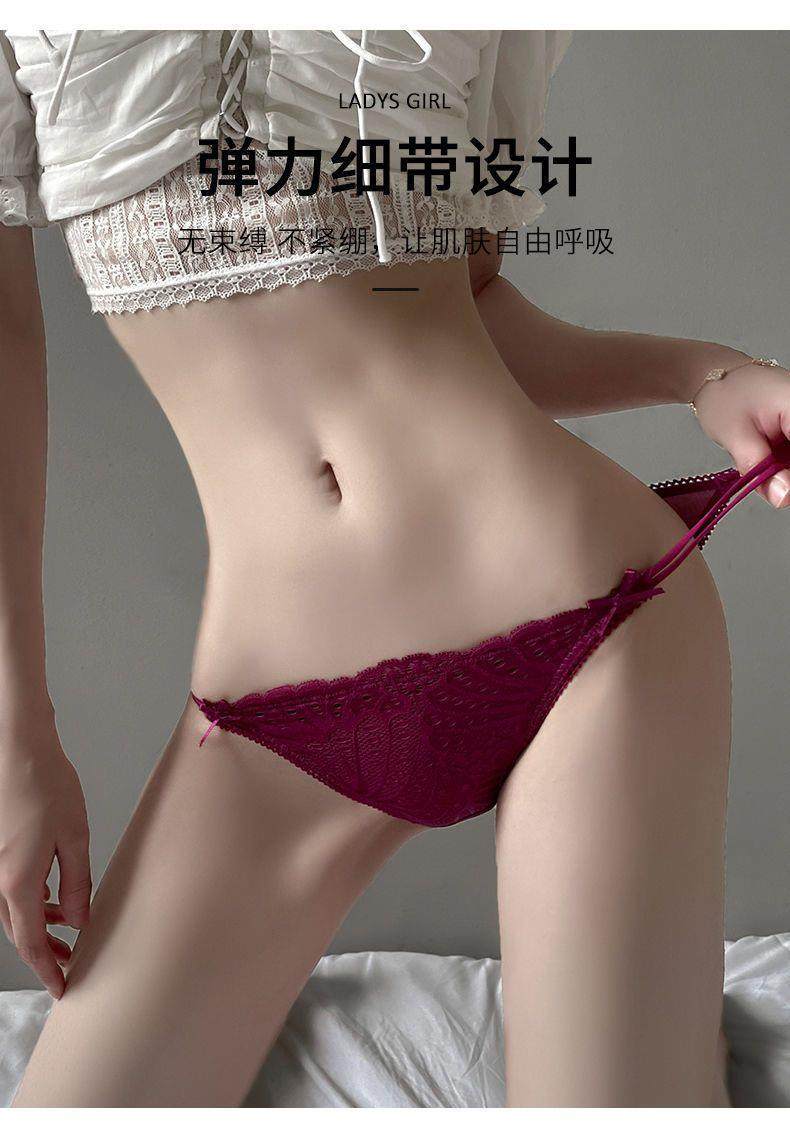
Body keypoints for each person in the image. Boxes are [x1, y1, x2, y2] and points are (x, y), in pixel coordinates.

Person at [0, 29, 787, 1107]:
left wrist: (704, 374)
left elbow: (461, 309)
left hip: (591, 619)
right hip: (271, 709)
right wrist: (18, 736)